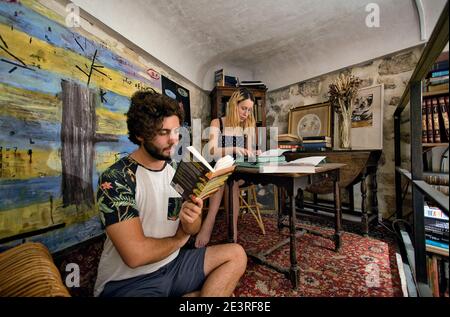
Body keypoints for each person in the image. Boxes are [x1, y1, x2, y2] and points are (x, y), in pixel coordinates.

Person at [94, 90, 247, 297]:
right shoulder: (116, 178)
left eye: (176, 131)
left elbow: (193, 228)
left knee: (236, 254)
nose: (174, 140)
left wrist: (190, 219)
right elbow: (135, 256)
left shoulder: (177, 170)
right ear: (140, 134)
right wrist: (179, 239)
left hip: (173, 264)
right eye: (163, 132)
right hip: (129, 281)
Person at [195, 87, 258, 248]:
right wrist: (234, 149)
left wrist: (254, 153)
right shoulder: (217, 123)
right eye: (243, 108)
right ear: (233, 105)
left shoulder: (248, 126)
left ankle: (231, 228)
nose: (246, 113)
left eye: (249, 110)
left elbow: (249, 153)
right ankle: (212, 223)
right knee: (225, 177)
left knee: (232, 180)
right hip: (220, 170)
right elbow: (211, 151)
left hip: (241, 172)